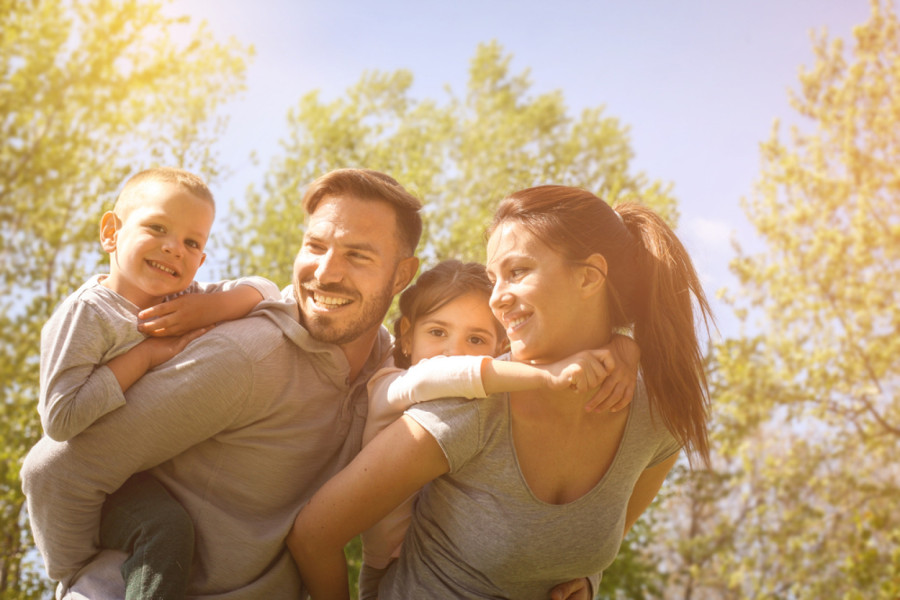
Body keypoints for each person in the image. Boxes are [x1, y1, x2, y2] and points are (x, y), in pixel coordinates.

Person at [288, 185, 714, 599]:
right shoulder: (472, 403)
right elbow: (313, 537)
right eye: (494, 278)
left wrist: (586, 583)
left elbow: (595, 544)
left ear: (589, 277)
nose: (497, 300)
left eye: (518, 272)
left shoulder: (657, 414)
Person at [21, 168, 423, 600]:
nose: (326, 273)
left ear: (402, 276)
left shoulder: (391, 367)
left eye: (358, 255)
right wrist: (79, 577)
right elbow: (55, 472)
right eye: (316, 246)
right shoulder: (248, 356)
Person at [36, 166, 281, 600]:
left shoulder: (182, 301)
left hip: (142, 472)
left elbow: (266, 290)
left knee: (183, 531)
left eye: (192, 243)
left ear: (201, 260)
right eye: (157, 228)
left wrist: (214, 307)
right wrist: (145, 355)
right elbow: (61, 418)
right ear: (111, 232)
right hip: (93, 491)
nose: (174, 248)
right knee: (165, 529)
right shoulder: (88, 314)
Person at [350, 259, 639, 599]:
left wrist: (625, 348)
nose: (453, 351)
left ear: (501, 350)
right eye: (437, 332)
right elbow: (443, 375)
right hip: (392, 567)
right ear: (407, 337)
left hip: (471, 558)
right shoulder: (391, 385)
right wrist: (548, 375)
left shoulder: (486, 408)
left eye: (475, 339)